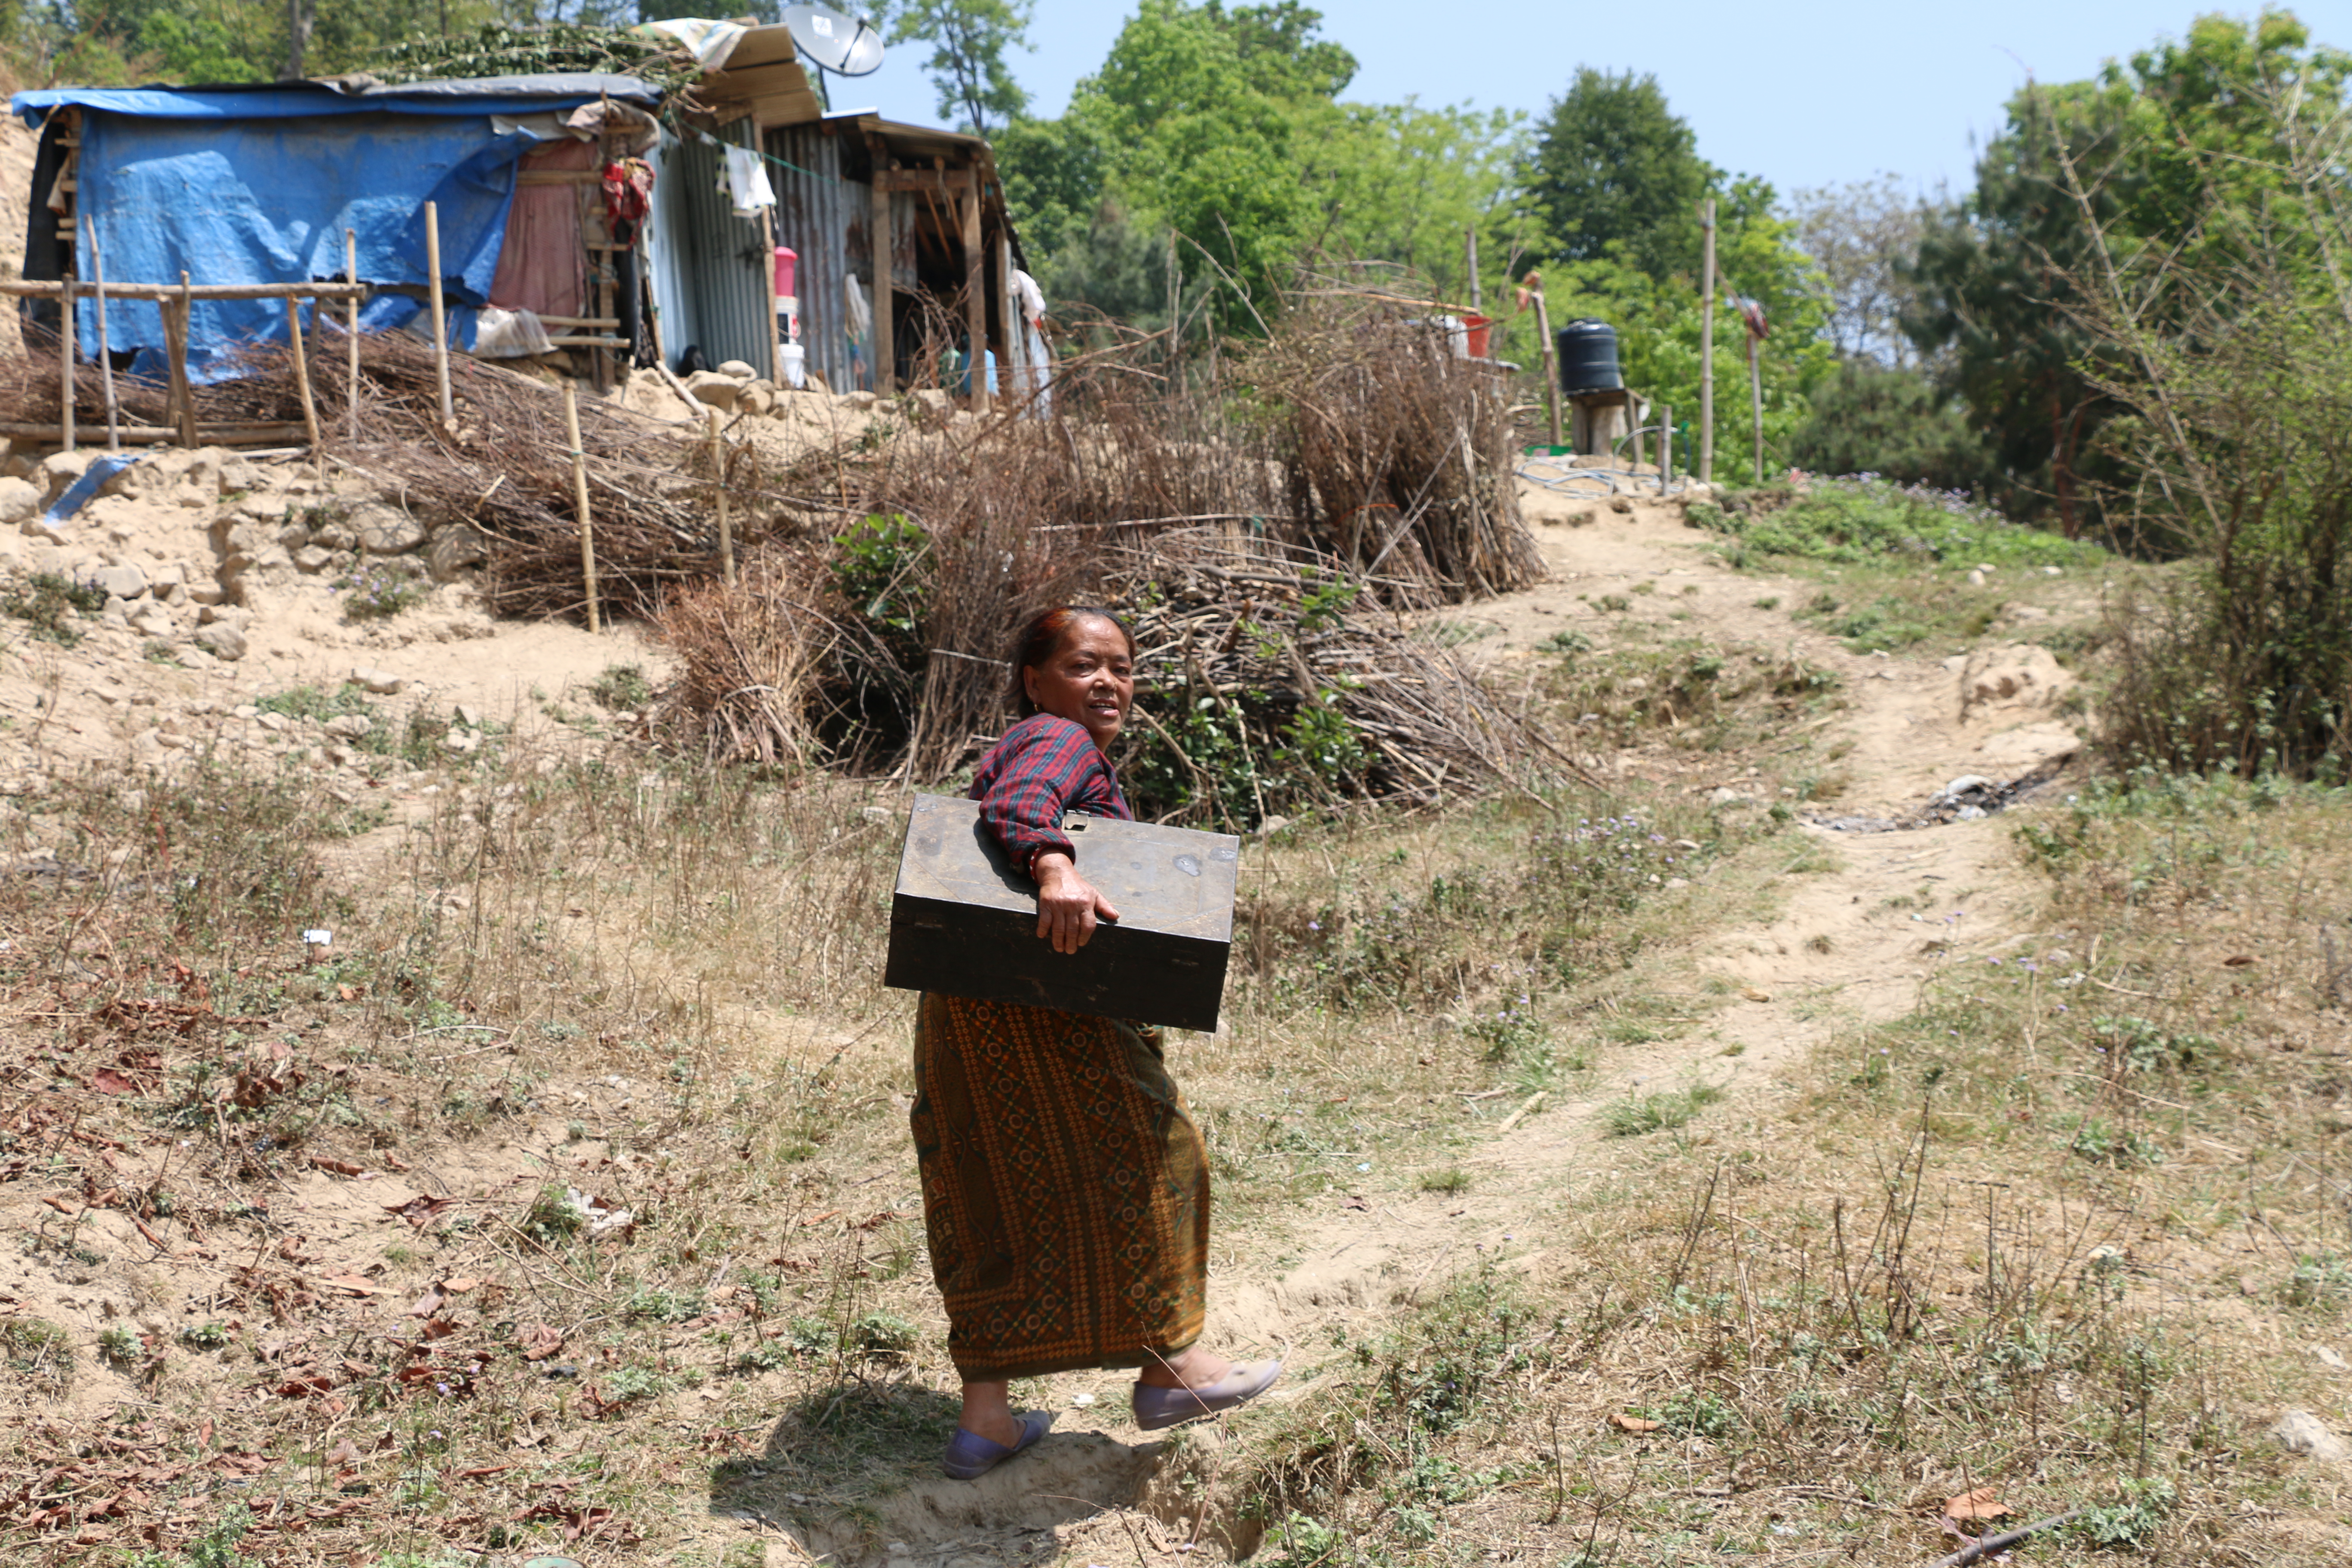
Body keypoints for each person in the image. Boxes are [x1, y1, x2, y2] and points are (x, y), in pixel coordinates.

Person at [910, 605, 1281, 1482]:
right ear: (1034, 681)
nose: (1109, 683)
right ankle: (1171, 1371)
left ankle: (986, 1420)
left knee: (985, 1186)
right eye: (1084, 665)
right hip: (1045, 1009)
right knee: (1162, 1157)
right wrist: (1053, 863)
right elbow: (1022, 803)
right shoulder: (1053, 737)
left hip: (967, 1009)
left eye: (1122, 667)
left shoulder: (1041, 735)